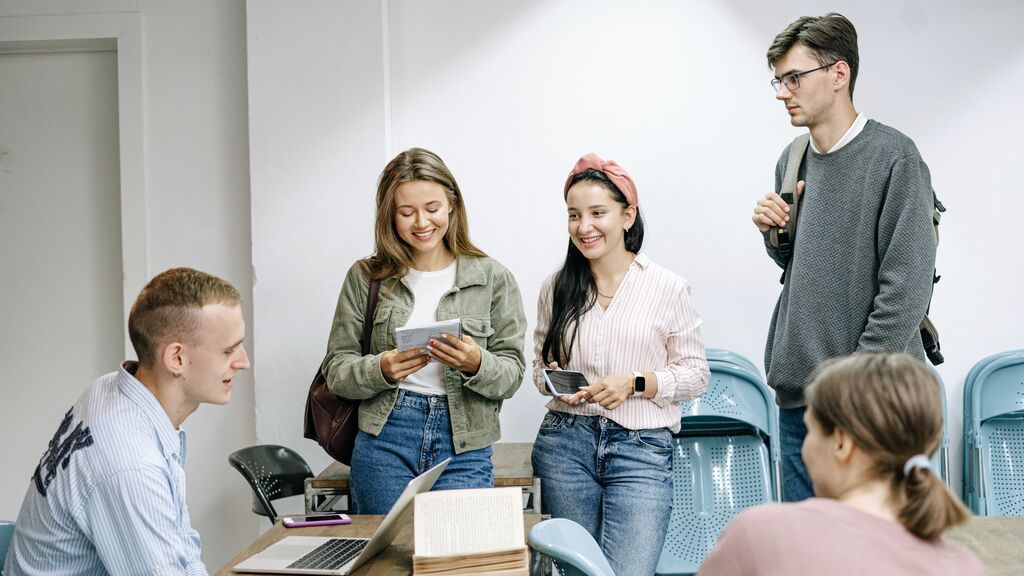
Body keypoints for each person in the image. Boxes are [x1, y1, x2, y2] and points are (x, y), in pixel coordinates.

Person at [751, 13, 939, 502]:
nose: (782, 91)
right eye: (779, 79)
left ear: (839, 74)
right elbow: (803, 268)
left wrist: (850, 388)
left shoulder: (895, 158)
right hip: (799, 403)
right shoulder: (791, 159)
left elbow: (906, 290)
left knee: (877, 553)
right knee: (807, 552)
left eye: (794, 77)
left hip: (871, 405)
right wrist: (777, 237)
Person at [5, 268, 251, 576]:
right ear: (176, 358)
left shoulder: (112, 389)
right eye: (229, 350)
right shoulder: (130, 464)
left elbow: (179, 550)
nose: (243, 361)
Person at [531, 153, 710, 575]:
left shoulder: (668, 287)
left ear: (628, 215)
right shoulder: (556, 287)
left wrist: (636, 382)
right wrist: (552, 378)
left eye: (598, 213)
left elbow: (696, 373)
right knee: (577, 571)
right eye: (574, 215)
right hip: (564, 444)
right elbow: (538, 369)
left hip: (642, 449)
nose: (583, 227)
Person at [322, 147, 527, 514]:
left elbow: (512, 375)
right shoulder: (366, 278)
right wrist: (381, 369)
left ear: (452, 205)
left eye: (432, 208)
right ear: (389, 215)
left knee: (459, 562)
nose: (421, 222)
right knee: (385, 564)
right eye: (406, 212)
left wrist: (476, 362)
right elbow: (336, 371)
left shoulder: (493, 278)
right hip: (385, 437)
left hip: (465, 442)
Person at [700, 353, 984, 575]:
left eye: (810, 431)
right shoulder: (964, 566)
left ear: (841, 443)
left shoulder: (760, 534)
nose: (805, 447)